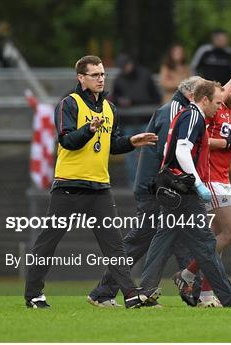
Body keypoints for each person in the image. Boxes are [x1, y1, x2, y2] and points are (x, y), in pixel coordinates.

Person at [24, 55, 159, 309]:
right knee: (49, 241)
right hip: (69, 185)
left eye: (103, 74)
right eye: (95, 74)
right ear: (81, 78)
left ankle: (130, 296)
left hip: (99, 187)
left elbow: (112, 144)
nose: (100, 78)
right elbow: (67, 141)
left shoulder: (110, 108)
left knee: (115, 245)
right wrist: (89, 129)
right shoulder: (69, 104)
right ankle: (33, 295)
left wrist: (132, 141)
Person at [87, 76, 203, 307]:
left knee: (174, 237)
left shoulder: (174, 109)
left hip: (156, 186)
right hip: (154, 189)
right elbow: (168, 151)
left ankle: (193, 293)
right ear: (192, 95)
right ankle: (103, 292)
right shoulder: (175, 111)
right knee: (141, 239)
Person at [139, 80, 231, 308]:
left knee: (165, 239)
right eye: (216, 103)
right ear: (204, 100)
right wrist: (197, 182)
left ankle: (145, 291)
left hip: (175, 186)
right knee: (205, 243)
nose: (218, 108)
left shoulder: (189, 115)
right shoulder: (193, 116)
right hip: (185, 188)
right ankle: (227, 295)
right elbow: (182, 149)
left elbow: (168, 149)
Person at [172, 71, 231, 307]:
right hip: (209, 178)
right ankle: (186, 275)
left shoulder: (227, 110)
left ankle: (207, 296)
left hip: (222, 176)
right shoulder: (212, 104)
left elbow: (220, 141)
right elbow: (201, 140)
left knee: (217, 240)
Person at [112, 54, 161, 186]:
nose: (125, 69)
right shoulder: (119, 79)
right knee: (130, 156)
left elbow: (156, 98)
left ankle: (149, 183)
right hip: (128, 122)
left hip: (145, 121)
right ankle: (134, 183)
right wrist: (121, 102)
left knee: (148, 154)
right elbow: (114, 98)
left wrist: (133, 101)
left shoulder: (145, 75)